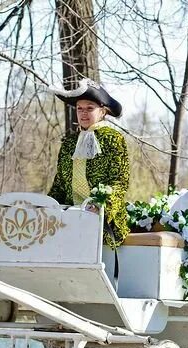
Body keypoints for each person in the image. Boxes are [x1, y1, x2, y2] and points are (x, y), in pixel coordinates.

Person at [48, 79, 130, 248]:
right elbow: (60, 185)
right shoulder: (69, 143)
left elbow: (119, 182)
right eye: (80, 108)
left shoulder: (113, 139)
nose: (83, 113)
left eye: (89, 108)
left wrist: (101, 206)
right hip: (69, 223)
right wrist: (46, 208)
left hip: (105, 226)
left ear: (102, 112)